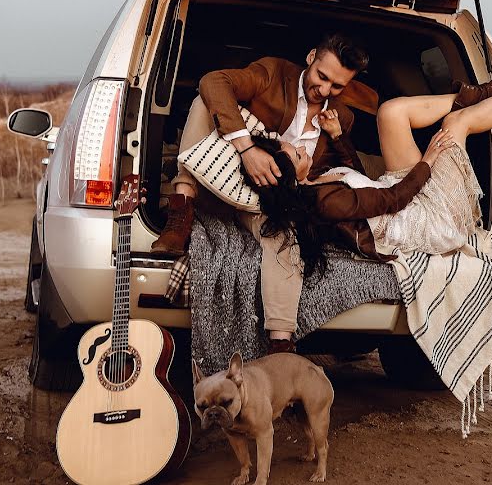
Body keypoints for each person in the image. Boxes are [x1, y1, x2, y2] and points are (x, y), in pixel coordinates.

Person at [241, 50, 492, 271]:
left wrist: (339, 136)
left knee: (390, 112)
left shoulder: (317, 184)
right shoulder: (324, 200)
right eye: (297, 153)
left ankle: (483, 93)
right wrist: (426, 161)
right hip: (428, 216)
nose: (302, 148)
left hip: (404, 195)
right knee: (456, 125)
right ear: (292, 177)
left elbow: (360, 180)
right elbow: (390, 199)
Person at [151, 33, 370, 353]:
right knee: (203, 101)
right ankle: (180, 210)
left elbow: (356, 176)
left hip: (275, 201)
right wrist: (248, 147)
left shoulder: (341, 116)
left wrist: (336, 139)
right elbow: (213, 81)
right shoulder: (273, 73)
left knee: (285, 240)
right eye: (322, 77)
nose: (324, 90)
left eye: (336, 86)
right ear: (311, 57)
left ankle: (280, 344)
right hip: (228, 174)